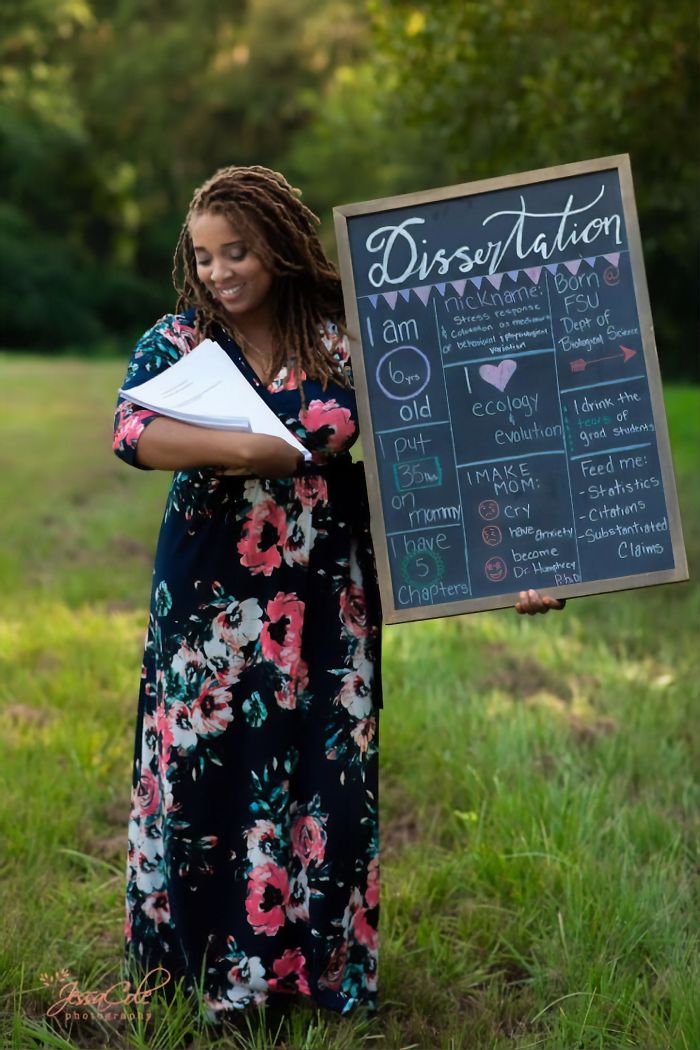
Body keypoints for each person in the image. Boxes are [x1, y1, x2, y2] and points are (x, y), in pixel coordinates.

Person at [112, 164, 564, 1024]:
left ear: (279, 247)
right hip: (210, 604)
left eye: (236, 252)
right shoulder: (178, 342)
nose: (217, 272)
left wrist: (525, 567)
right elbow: (133, 432)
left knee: (329, 785)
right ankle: (204, 985)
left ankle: (315, 985)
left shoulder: (348, 343)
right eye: (204, 257)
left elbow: (438, 459)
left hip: (327, 600)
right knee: (205, 782)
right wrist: (260, 451)